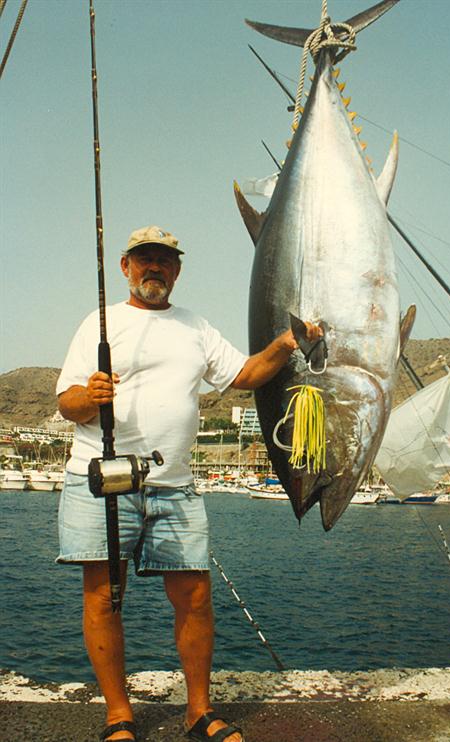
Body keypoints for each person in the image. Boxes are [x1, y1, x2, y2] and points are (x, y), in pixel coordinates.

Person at [56, 225, 322, 742]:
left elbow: (243, 375)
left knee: (196, 597)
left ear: (177, 270)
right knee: (104, 598)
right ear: (125, 268)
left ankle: (198, 711)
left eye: (164, 260)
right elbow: (67, 404)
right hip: (103, 481)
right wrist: (91, 395)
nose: (154, 268)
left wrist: (289, 341)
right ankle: (118, 716)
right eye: (144, 259)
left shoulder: (195, 327)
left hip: (173, 484)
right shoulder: (99, 323)